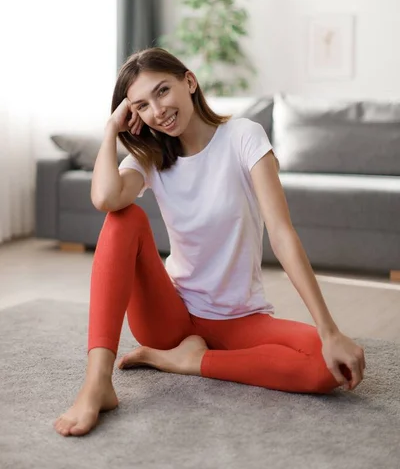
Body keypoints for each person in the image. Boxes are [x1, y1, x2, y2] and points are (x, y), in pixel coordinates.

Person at [54, 47, 365, 437]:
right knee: (124, 217)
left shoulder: (244, 137)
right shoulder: (151, 156)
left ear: (189, 80)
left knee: (327, 366)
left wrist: (329, 330)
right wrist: (109, 131)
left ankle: (186, 362)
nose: (158, 110)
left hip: (241, 319)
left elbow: (283, 235)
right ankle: (97, 382)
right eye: (142, 105)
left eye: (162, 91)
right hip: (170, 319)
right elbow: (105, 198)